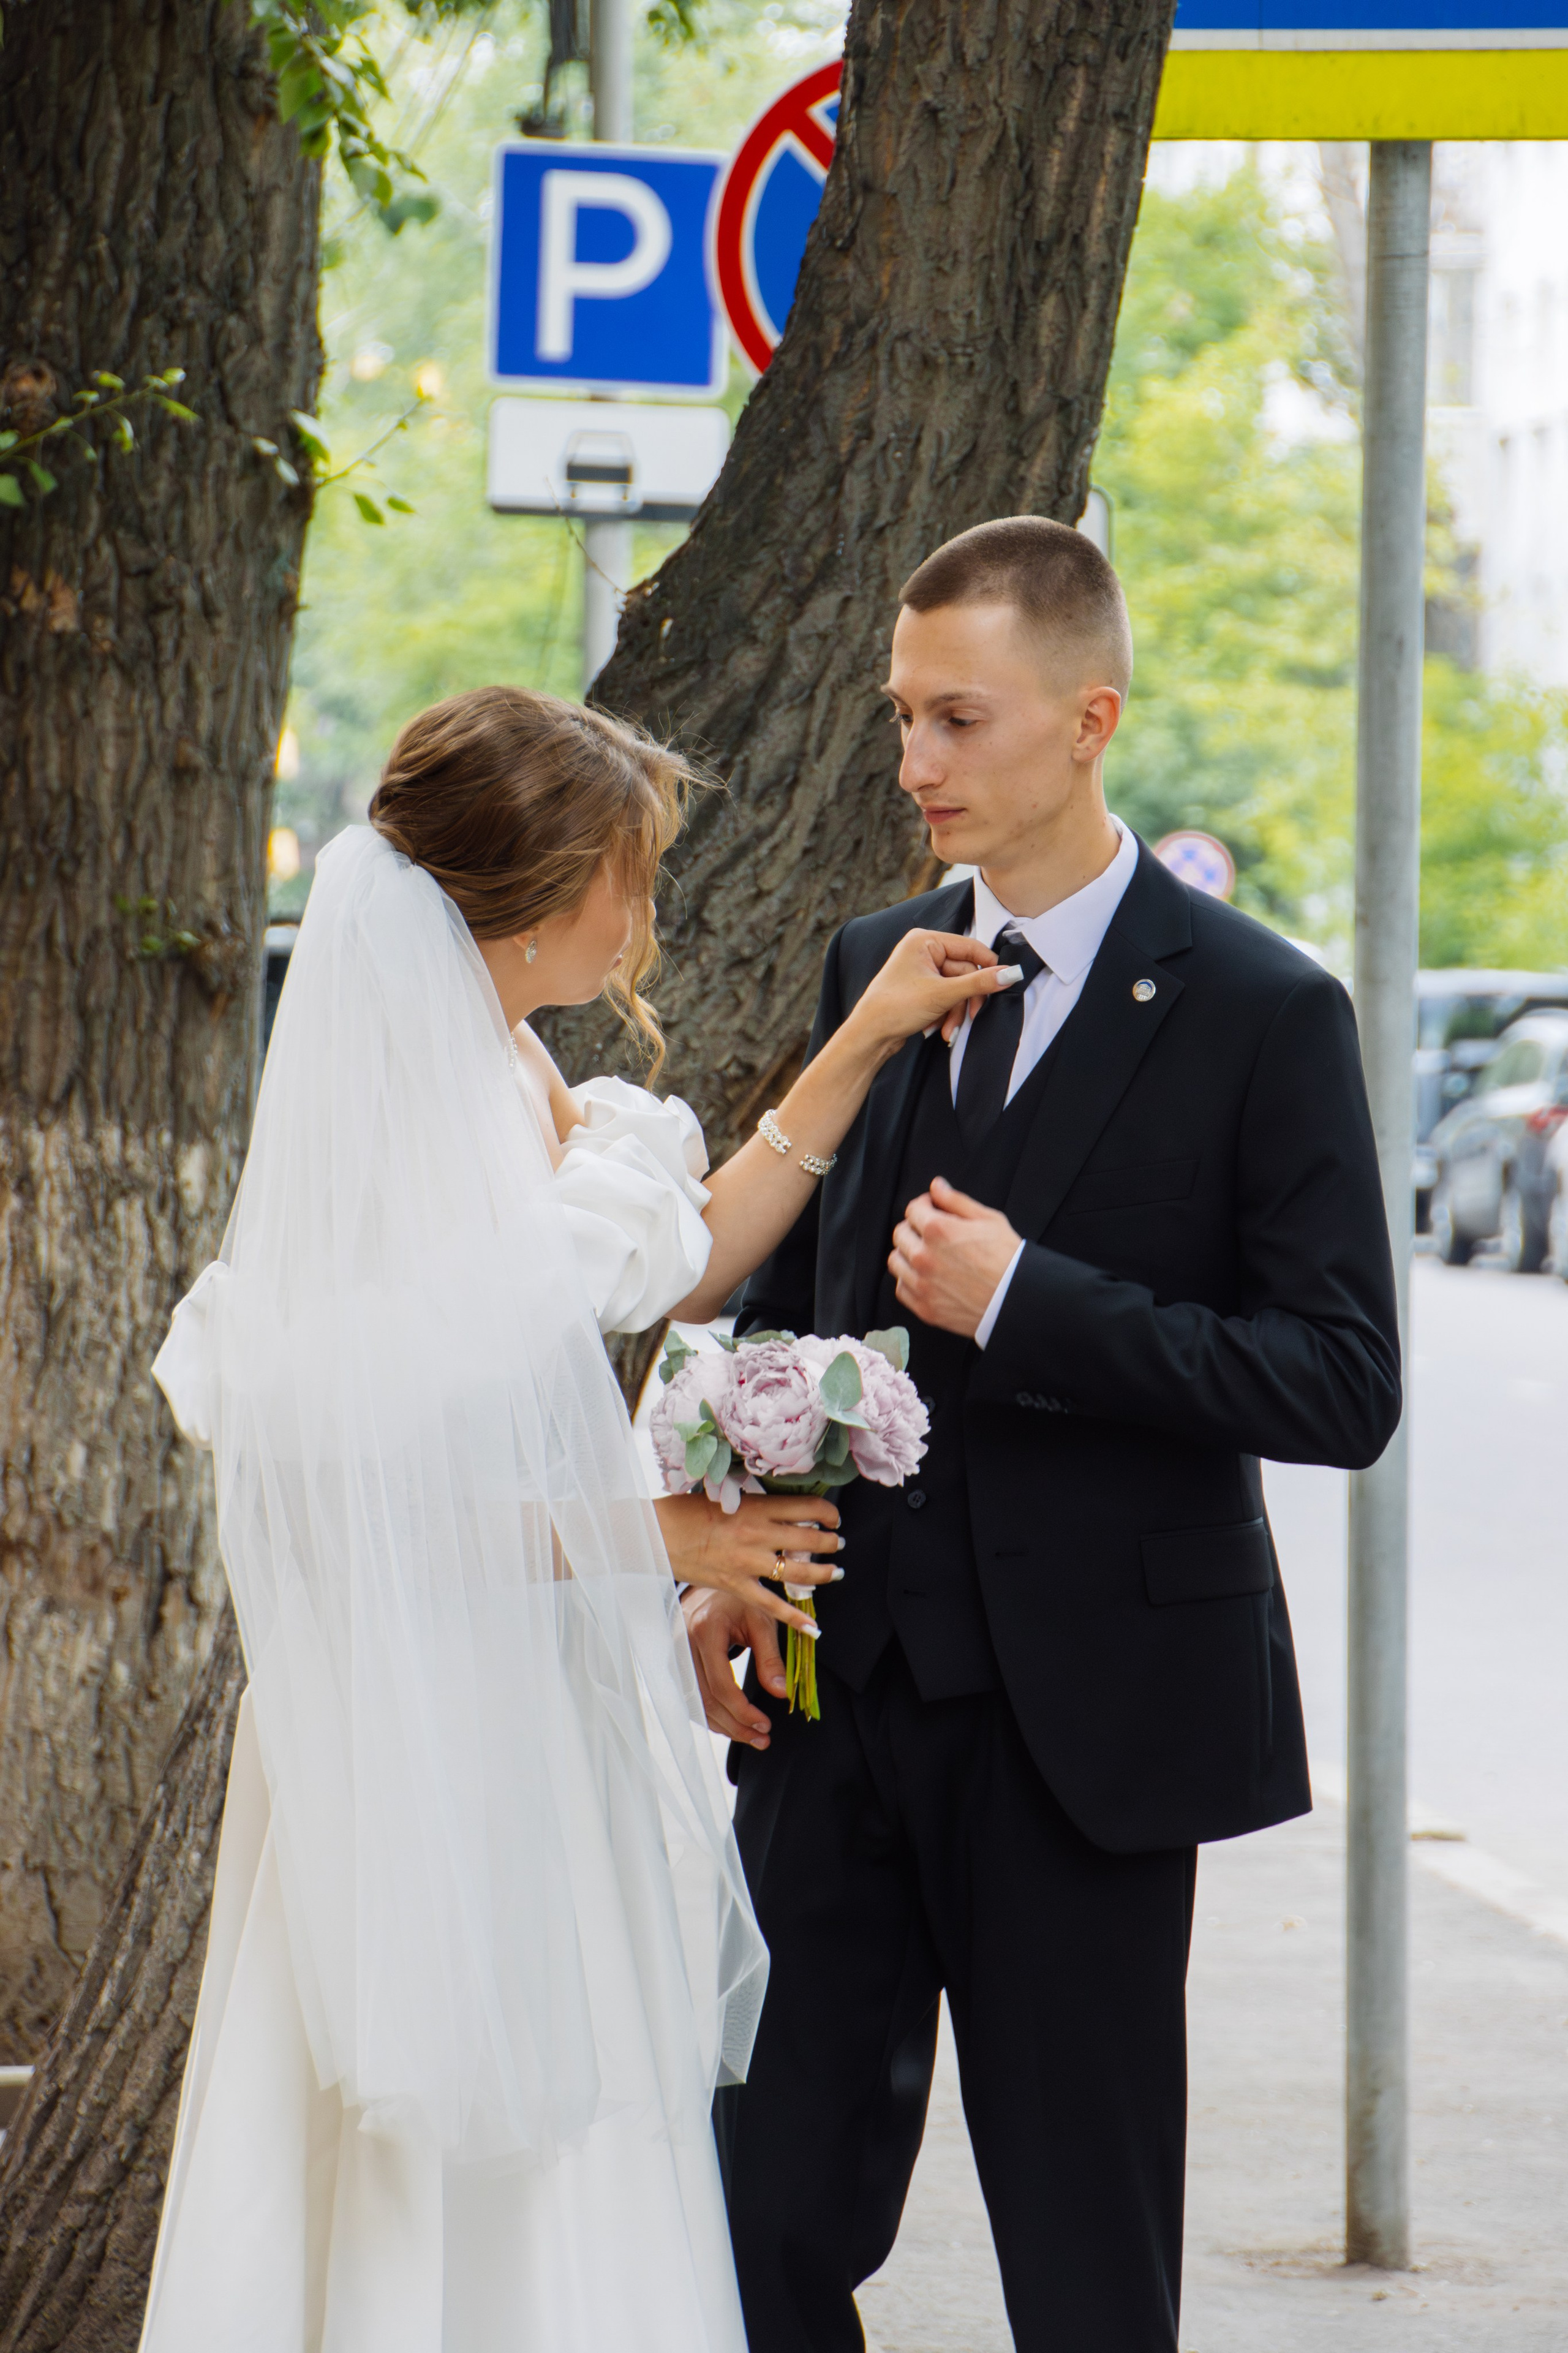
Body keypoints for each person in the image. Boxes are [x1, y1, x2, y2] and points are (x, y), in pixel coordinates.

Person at [140, 685, 1011, 2353]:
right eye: (633, 868)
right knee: (451, 2157)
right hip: (430, 1719)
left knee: (574, 2129)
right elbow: (378, 1496)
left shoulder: (508, 1059)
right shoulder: (414, 1127)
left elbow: (672, 1256)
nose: (646, 908)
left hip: (511, 1701)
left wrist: (864, 1035)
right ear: (544, 892)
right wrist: (660, 1540)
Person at [683, 518, 1403, 2352]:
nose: (913, 763)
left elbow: (1340, 1378)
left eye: (955, 720)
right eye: (901, 717)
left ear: (1090, 719)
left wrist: (1030, 1297)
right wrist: (731, 1556)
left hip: (1087, 1735)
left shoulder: (1265, 1008)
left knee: (1086, 2270)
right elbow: (802, 1310)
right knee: (749, 2225)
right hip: (836, 1711)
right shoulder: (875, 958)